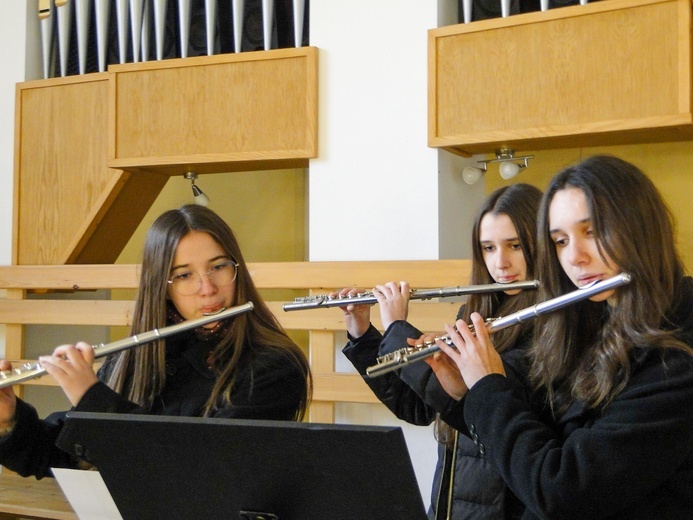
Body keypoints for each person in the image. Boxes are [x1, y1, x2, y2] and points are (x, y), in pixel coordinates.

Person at [428, 155, 693, 519]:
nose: (575, 257)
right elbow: (538, 437)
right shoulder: (591, 322)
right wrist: (467, 394)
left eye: (592, 231)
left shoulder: (677, 356)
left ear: (640, 227)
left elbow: (563, 489)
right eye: (560, 240)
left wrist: (489, 388)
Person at [0, 204, 312, 479]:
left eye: (218, 267)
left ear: (236, 269)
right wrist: (9, 419)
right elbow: (65, 458)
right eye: (184, 275)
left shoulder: (273, 367)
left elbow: (200, 470)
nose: (207, 288)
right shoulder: (137, 358)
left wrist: (93, 397)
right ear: (162, 288)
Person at [340, 183, 543, 519]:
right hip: (452, 501)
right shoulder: (473, 315)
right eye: (488, 248)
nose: (501, 263)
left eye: (515, 246)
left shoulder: (547, 324)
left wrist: (397, 329)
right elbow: (420, 407)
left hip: (501, 506)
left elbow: (469, 401)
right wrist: (363, 334)